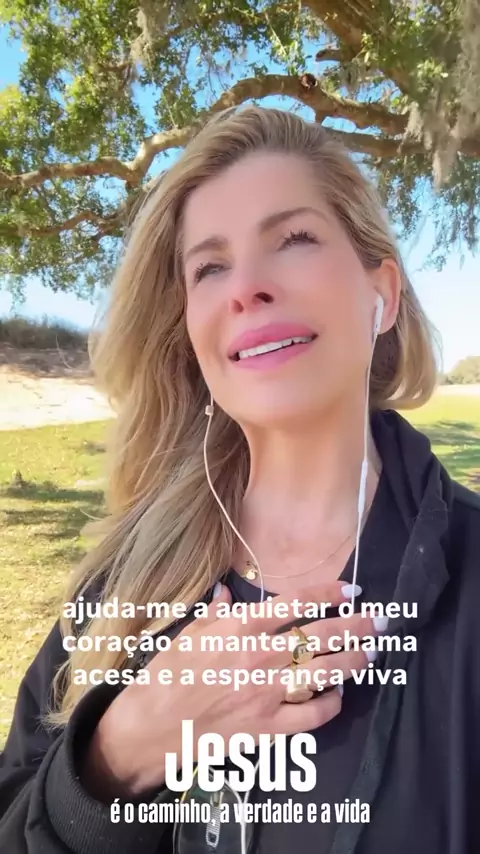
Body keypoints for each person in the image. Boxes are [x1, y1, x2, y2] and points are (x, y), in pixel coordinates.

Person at [0, 105, 479, 854]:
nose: (246, 287)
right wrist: (119, 753)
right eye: (210, 267)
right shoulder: (121, 585)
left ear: (381, 294)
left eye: (294, 239)